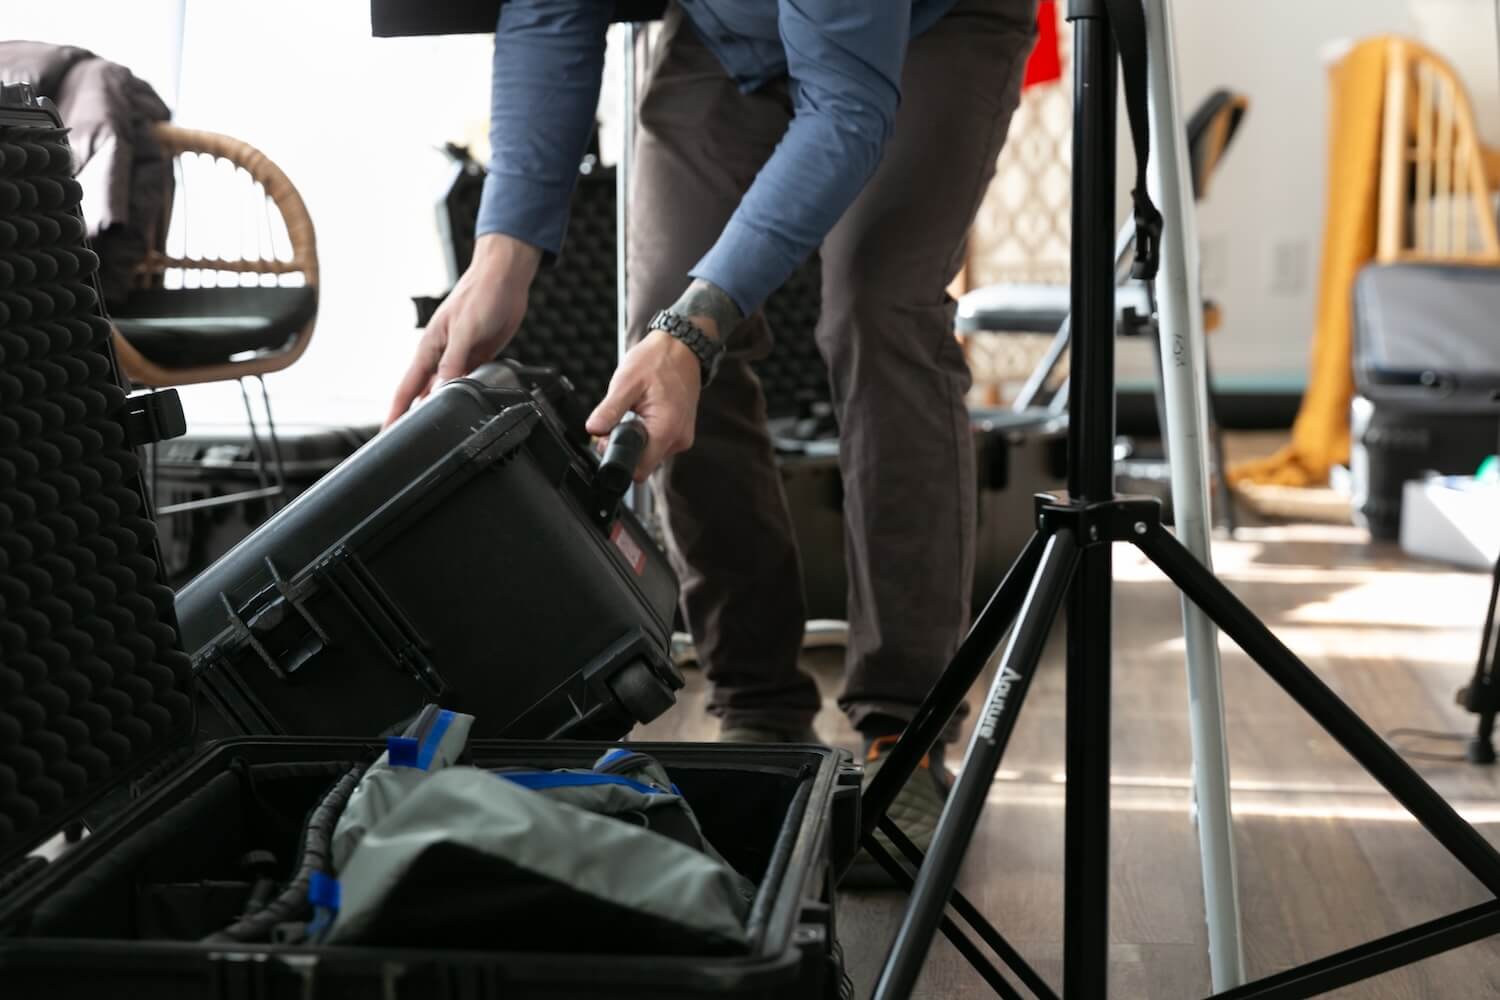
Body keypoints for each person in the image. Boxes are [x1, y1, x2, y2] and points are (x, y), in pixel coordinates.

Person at [386, 0, 1038, 884]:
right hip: (728, 35)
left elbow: (847, 108)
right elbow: (551, 11)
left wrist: (696, 327)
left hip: (933, 25)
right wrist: (501, 253)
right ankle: (757, 700)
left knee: (877, 306)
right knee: (662, 309)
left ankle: (907, 728)